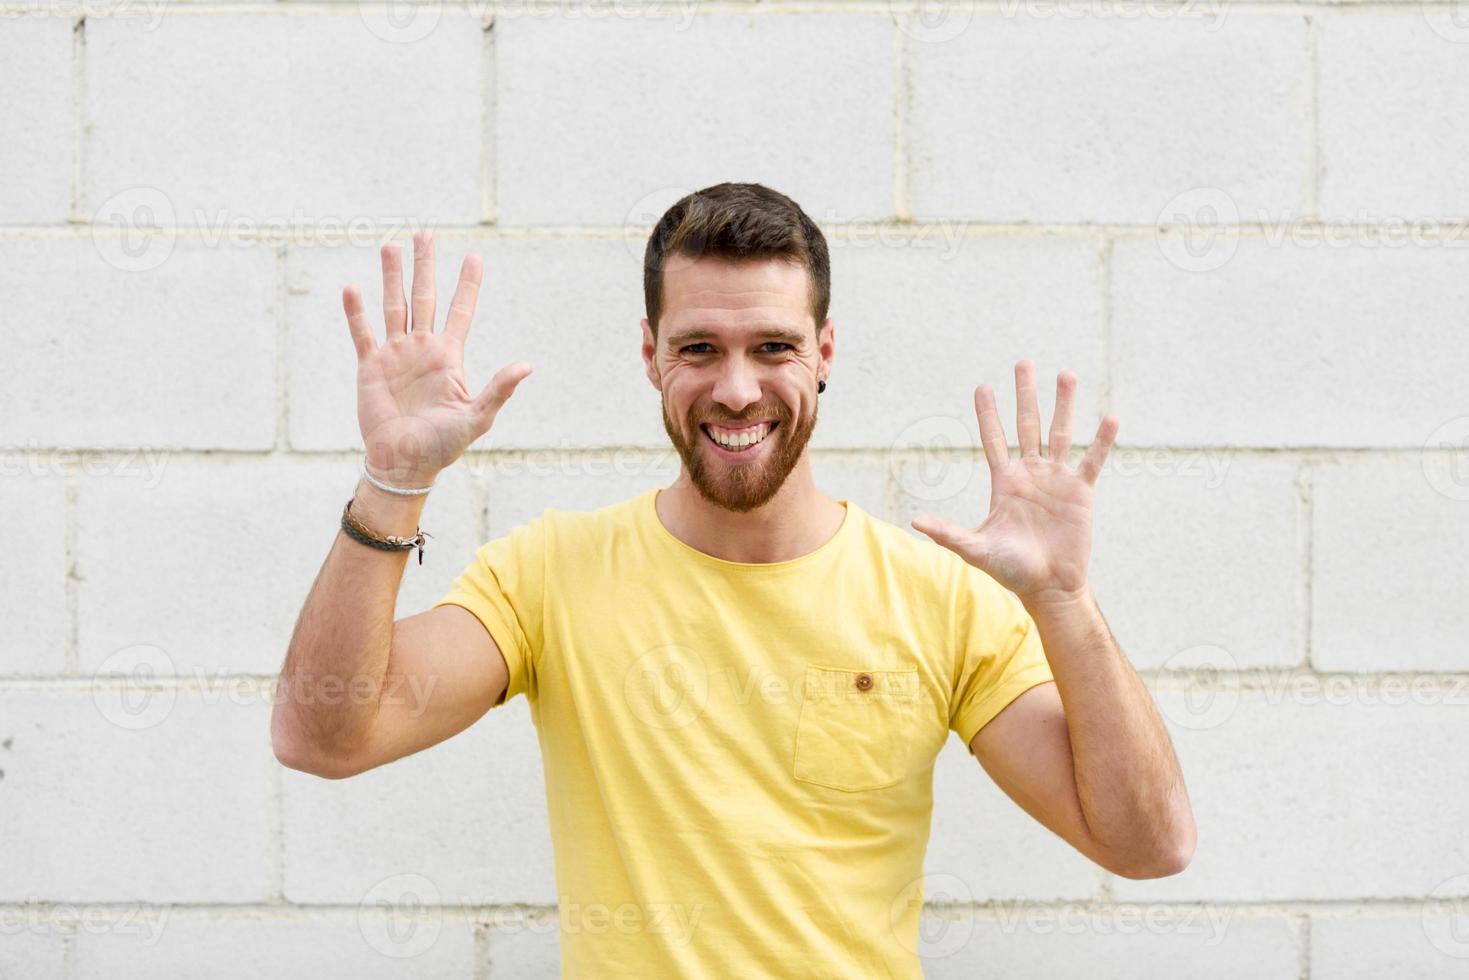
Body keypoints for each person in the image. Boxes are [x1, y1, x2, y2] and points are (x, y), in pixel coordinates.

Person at [271, 182, 1195, 978]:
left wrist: (1062, 600)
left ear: (824, 353)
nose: (738, 390)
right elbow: (326, 737)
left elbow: (1146, 846)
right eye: (700, 349)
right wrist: (395, 480)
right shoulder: (549, 573)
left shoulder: (939, 597)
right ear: (650, 356)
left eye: (774, 348)